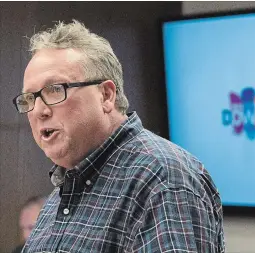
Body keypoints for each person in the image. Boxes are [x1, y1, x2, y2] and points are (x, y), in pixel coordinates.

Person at [13, 20, 225, 252]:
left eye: (55, 90)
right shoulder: (65, 189)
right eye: (29, 99)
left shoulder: (162, 179)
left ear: (105, 95)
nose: (39, 111)